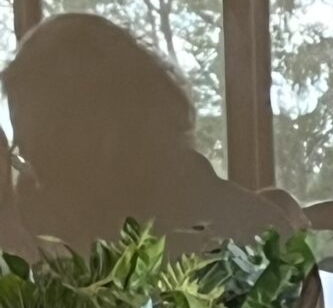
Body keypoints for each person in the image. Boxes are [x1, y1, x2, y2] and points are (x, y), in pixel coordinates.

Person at [0, 13, 299, 253]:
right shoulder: (252, 222)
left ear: (103, 131)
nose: (30, 169)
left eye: (38, 145)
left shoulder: (234, 242)